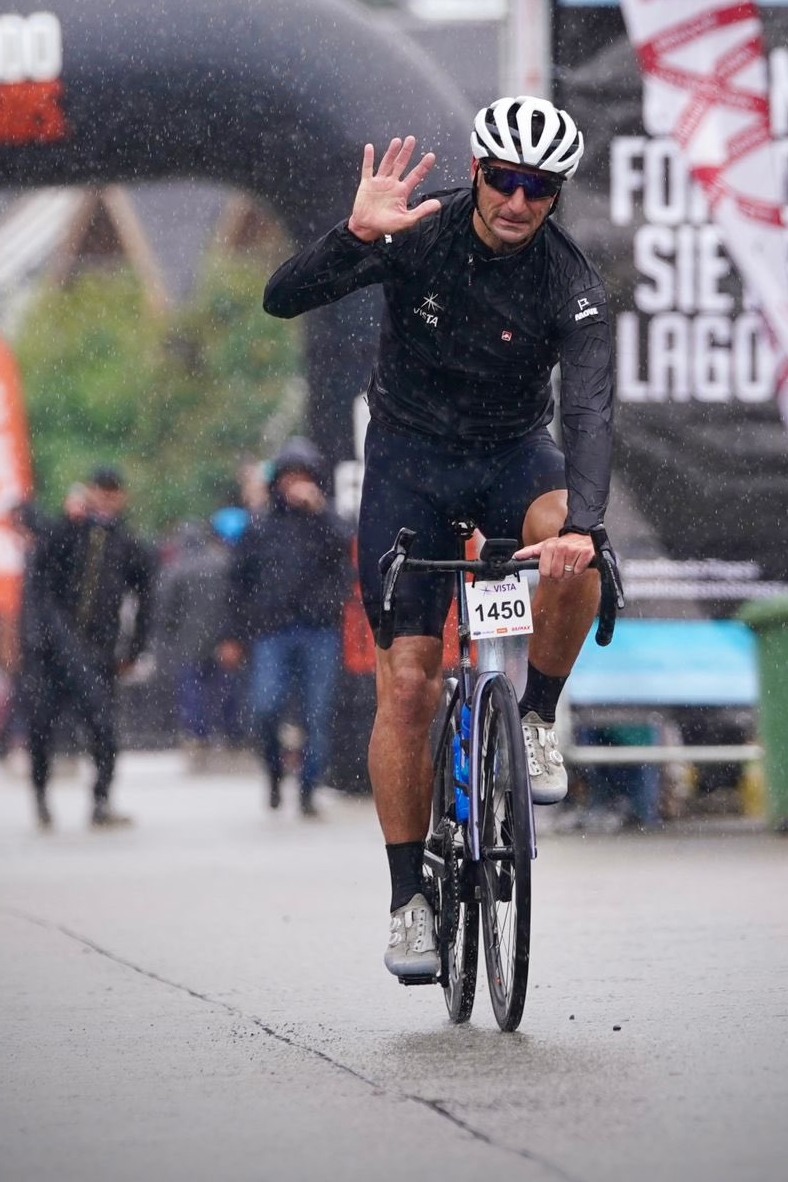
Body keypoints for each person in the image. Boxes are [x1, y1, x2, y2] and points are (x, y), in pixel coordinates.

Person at [262, 96, 617, 979]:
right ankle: (406, 901)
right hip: (410, 462)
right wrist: (353, 236)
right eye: (504, 179)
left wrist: (584, 525)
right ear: (479, 172)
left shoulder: (568, 284)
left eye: (541, 188)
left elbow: (591, 410)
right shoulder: (419, 231)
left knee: (580, 549)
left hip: (509, 455)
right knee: (412, 687)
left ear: (556, 196)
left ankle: (535, 716)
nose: (518, 201)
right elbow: (280, 299)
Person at [17, 468, 154, 830]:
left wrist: (134, 649)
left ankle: (102, 799)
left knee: (104, 728)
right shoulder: (66, 533)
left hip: (98, 652)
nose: (106, 500)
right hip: (53, 651)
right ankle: (41, 796)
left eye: (113, 493)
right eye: (101, 492)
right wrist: (67, 520)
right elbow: (40, 568)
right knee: (42, 727)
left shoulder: (127, 543)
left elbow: (146, 597)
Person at [222, 437, 352, 817]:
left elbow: (348, 551)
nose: (295, 484)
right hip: (272, 632)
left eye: (303, 476)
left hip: (319, 631)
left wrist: (321, 512)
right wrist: (232, 635)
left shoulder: (327, 523)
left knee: (317, 713)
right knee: (266, 707)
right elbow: (237, 583)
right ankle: (275, 771)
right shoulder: (260, 527)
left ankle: (309, 788)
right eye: (289, 476)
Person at [151, 516, 245, 766]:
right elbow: (235, 600)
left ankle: (197, 733)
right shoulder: (223, 563)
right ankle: (229, 731)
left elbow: (165, 607)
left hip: (189, 640)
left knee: (193, 689)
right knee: (224, 686)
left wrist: (169, 634)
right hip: (221, 637)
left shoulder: (176, 568)